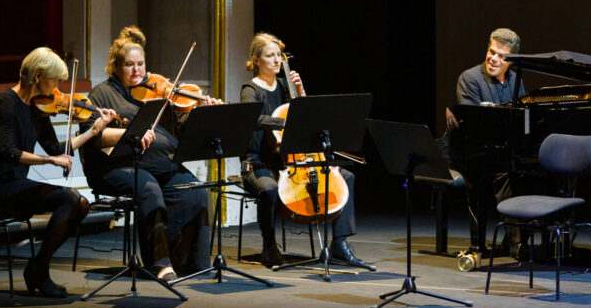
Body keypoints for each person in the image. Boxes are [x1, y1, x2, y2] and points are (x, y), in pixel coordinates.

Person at [0, 47, 117, 297]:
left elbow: (56, 147)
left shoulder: (34, 108)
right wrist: (49, 160)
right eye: (55, 80)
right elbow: (10, 152)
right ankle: (39, 270)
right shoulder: (4, 104)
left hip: (17, 183)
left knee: (81, 204)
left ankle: (38, 266)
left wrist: (94, 130)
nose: (58, 87)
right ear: (38, 75)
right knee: (70, 198)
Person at [79, 26, 217, 282]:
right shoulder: (102, 93)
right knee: (149, 189)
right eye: (129, 65)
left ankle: (192, 262)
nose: (136, 71)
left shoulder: (153, 91)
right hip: (114, 167)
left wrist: (201, 111)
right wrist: (130, 135)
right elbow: (94, 137)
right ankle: (161, 263)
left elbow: (179, 127)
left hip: (157, 165)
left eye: (140, 64)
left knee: (195, 189)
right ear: (116, 67)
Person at [240, 32, 373, 270]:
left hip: (291, 160)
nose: (276, 61)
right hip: (259, 162)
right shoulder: (250, 89)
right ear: (256, 60)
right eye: (269, 56)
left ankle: (339, 244)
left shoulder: (285, 86)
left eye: (278, 56)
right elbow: (253, 118)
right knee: (269, 190)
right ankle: (269, 245)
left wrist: (300, 93)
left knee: (347, 177)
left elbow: (309, 117)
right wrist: (283, 123)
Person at [445, 28, 523, 257]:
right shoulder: (469, 78)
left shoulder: (515, 80)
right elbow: (474, 125)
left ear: (511, 60)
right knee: (505, 172)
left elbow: (519, 118)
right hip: (467, 151)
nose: (493, 58)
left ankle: (517, 238)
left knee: (524, 170)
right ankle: (516, 245)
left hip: (497, 150)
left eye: (501, 55)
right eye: (491, 51)